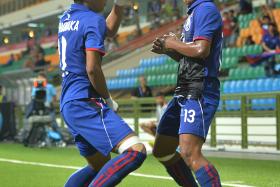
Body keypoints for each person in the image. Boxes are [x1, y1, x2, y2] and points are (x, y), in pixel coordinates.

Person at [58, 1, 146, 187]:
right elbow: (92, 69)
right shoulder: (92, 19)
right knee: (135, 151)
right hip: (86, 101)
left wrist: (119, 5)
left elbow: (108, 29)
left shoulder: (66, 18)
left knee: (100, 166)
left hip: (69, 103)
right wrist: (108, 99)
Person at [151, 0, 222, 186]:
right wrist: (168, 49)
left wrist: (173, 43)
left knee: (190, 154)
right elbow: (188, 57)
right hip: (184, 88)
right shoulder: (194, 12)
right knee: (162, 150)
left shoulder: (206, 9)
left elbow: (201, 50)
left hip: (199, 88)